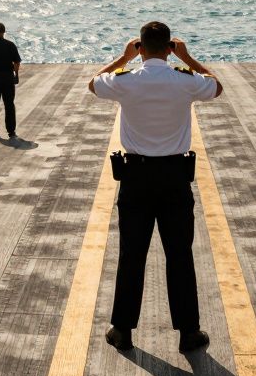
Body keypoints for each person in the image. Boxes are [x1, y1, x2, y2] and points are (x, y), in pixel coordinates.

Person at [88, 21, 221, 354]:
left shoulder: (126, 82)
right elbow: (216, 87)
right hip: (175, 178)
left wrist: (122, 59)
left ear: (141, 48)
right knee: (179, 256)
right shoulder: (185, 80)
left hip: (136, 178)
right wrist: (189, 59)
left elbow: (93, 84)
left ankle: (122, 330)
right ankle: (189, 333)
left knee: (132, 255)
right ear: (169, 48)